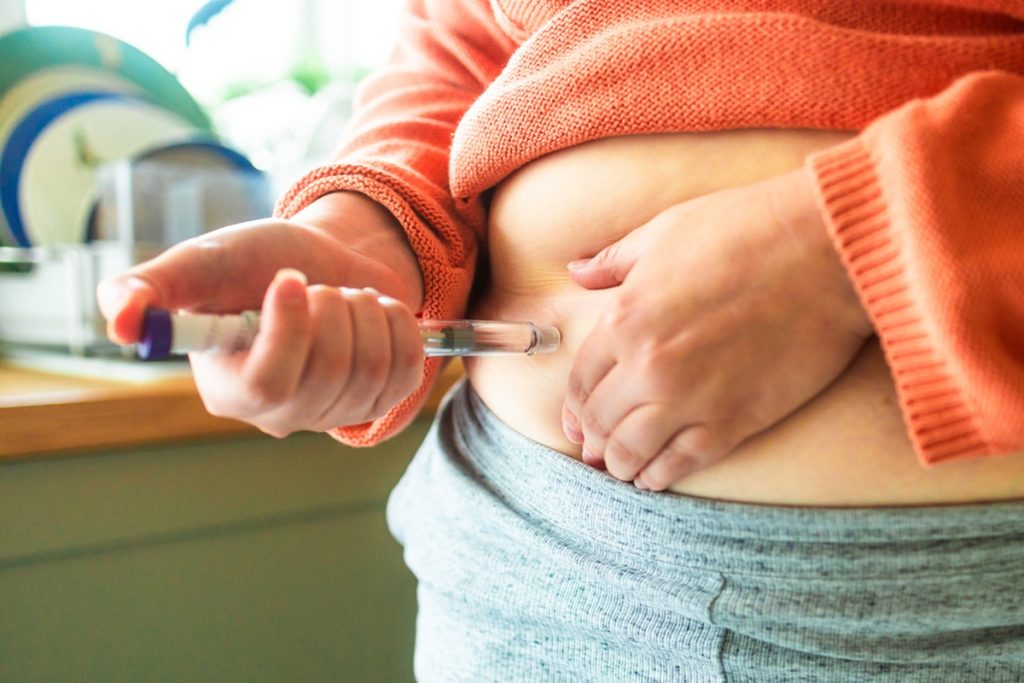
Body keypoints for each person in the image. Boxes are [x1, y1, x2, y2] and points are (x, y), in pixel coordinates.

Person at [98, 0, 1024, 679]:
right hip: (519, 567)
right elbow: (467, 42)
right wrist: (368, 228)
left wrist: (836, 244)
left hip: (946, 607)